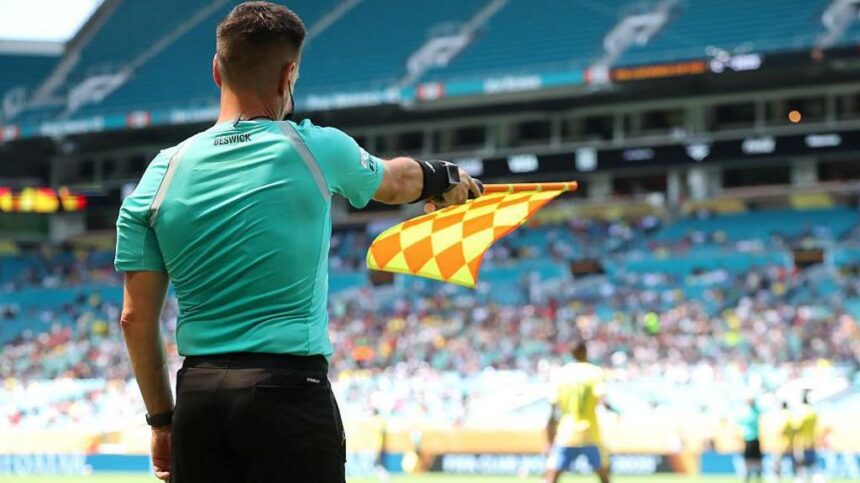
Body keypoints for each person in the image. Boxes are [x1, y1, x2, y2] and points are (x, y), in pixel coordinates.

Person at [113, 2, 481, 482]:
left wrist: (163, 422)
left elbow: (135, 318)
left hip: (198, 400)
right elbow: (395, 182)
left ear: (216, 70)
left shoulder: (159, 175)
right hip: (287, 394)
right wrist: (446, 177)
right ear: (289, 74)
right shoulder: (313, 146)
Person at [545, 341, 611, 483]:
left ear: (571, 353)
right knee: (604, 475)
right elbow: (602, 399)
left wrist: (549, 438)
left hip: (567, 432)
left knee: (552, 476)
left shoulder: (561, 374)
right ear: (586, 353)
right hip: (590, 433)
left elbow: (552, 409)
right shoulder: (594, 372)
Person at [792, 392, 820, 483]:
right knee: (813, 464)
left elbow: (797, 427)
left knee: (801, 465)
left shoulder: (801, 411)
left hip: (801, 442)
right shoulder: (813, 411)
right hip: (811, 442)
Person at [737, 397, 763, 483]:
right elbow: (739, 420)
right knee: (748, 459)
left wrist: (753, 403)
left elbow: (760, 410)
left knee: (757, 459)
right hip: (748, 439)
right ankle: (747, 475)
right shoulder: (746, 412)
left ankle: (758, 475)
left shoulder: (755, 411)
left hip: (754, 438)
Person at [773, 400, 795, 483]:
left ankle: (777, 479)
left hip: (781, 444)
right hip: (790, 443)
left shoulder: (781, 415)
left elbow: (781, 430)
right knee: (793, 463)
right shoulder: (791, 415)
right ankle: (796, 478)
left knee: (777, 463)